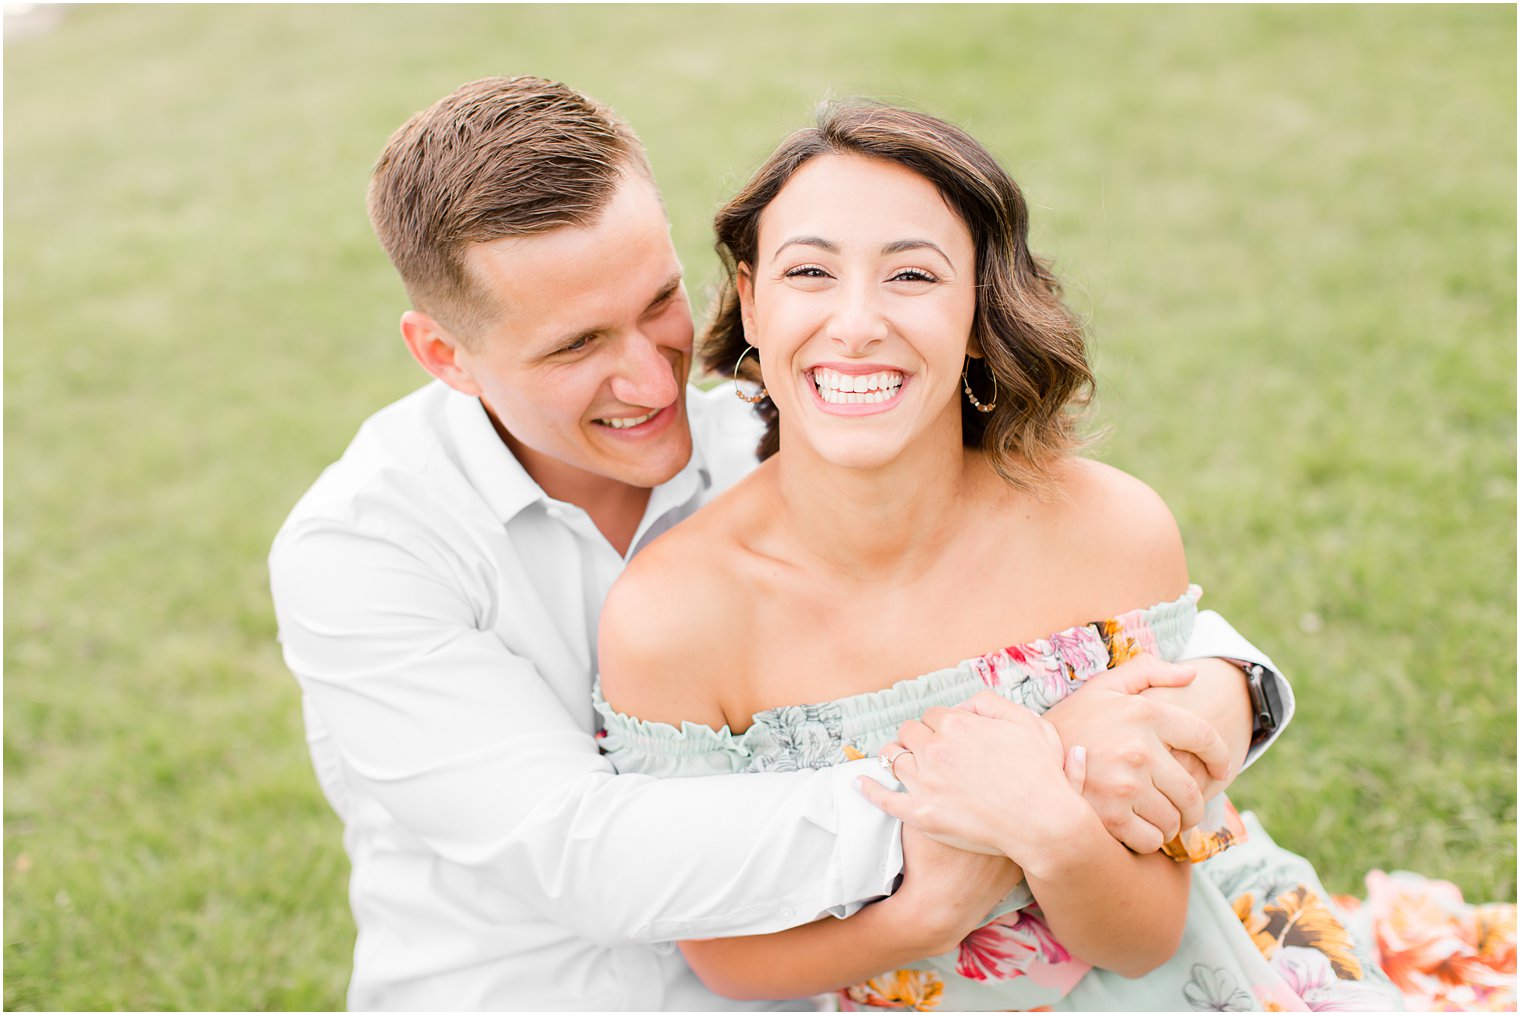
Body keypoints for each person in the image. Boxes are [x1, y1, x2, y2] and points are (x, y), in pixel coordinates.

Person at [270, 76, 1296, 1011]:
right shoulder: (361, 552)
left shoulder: (750, 438)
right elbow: (585, 853)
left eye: (659, 303)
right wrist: (1009, 791)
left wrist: (1223, 684)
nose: (648, 377)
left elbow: (1056, 608)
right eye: (578, 345)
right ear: (443, 354)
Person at [595, 102, 1406, 1010]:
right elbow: (727, 957)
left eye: (911, 274)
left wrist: (1052, 828)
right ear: (752, 299)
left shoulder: (1108, 530)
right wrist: (928, 910)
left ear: (980, 305)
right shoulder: (671, 617)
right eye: (810, 271)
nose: (855, 323)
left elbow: (1145, 937)